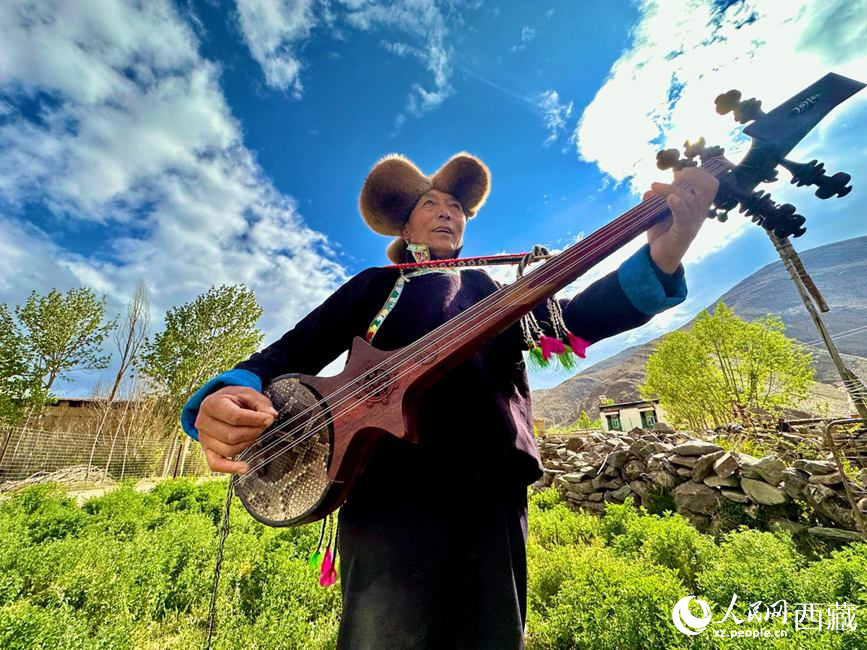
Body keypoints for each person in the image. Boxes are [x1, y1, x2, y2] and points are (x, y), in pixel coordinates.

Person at [180, 152, 718, 649]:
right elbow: (289, 352)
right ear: (404, 227)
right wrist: (228, 395)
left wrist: (665, 252)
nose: (446, 212)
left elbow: (571, 322)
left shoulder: (493, 292)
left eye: (456, 207)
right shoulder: (374, 286)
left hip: (492, 491)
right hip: (387, 492)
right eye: (430, 204)